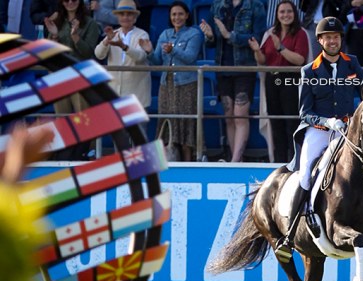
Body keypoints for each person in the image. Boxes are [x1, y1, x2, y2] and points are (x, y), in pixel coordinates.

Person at [275, 16, 363, 260]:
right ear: (320, 40)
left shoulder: (352, 64)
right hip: (320, 130)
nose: (333, 41)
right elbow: (305, 112)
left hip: (346, 130)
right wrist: (326, 122)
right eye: (328, 37)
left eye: (336, 37)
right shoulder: (309, 71)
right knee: (305, 174)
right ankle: (290, 233)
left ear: (340, 39)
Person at [199, 0, 266, 162]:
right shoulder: (217, 5)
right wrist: (209, 35)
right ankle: (234, 158)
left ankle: (235, 160)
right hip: (223, 67)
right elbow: (213, 41)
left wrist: (230, 35)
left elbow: (257, 37)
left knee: (240, 115)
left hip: (245, 67)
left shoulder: (256, 6)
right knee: (229, 117)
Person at [140, 0, 203, 161]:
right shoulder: (165, 34)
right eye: (174, 14)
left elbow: (190, 57)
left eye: (180, 14)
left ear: (187, 15)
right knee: (167, 123)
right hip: (166, 85)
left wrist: (173, 50)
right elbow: (156, 61)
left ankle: (189, 163)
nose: (177, 17)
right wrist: (148, 52)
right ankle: (166, 162)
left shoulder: (194, 33)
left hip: (186, 84)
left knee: (186, 123)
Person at [249, 0, 309, 163]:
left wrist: (281, 48)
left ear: (294, 14)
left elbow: (299, 59)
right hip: (272, 80)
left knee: (291, 124)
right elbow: (262, 59)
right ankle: (278, 163)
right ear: (277, 15)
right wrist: (256, 50)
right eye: (282, 12)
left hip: (291, 81)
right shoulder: (270, 33)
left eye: (289, 11)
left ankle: (295, 162)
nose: (285, 15)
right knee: (276, 124)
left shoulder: (300, 33)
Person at [45, 0, 99, 160]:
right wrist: (54, 36)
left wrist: (75, 37)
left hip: (80, 77)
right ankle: (65, 155)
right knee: (63, 119)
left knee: (83, 118)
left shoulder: (90, 23)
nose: (70, 2)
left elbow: (88, 52)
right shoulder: (56, 23)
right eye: (66, 0)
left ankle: (84, 153)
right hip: (60, 78)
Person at [94, 0, 151, 111]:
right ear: (117, 17)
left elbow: (140, 57)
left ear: (135, 17)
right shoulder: (113, 34)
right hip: (115, 96)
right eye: (122, 14)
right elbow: (99, 55)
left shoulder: (142, 34)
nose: (125, 17)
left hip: (137, 97)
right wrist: (106, 41)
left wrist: (124, 47)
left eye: (129, 14)